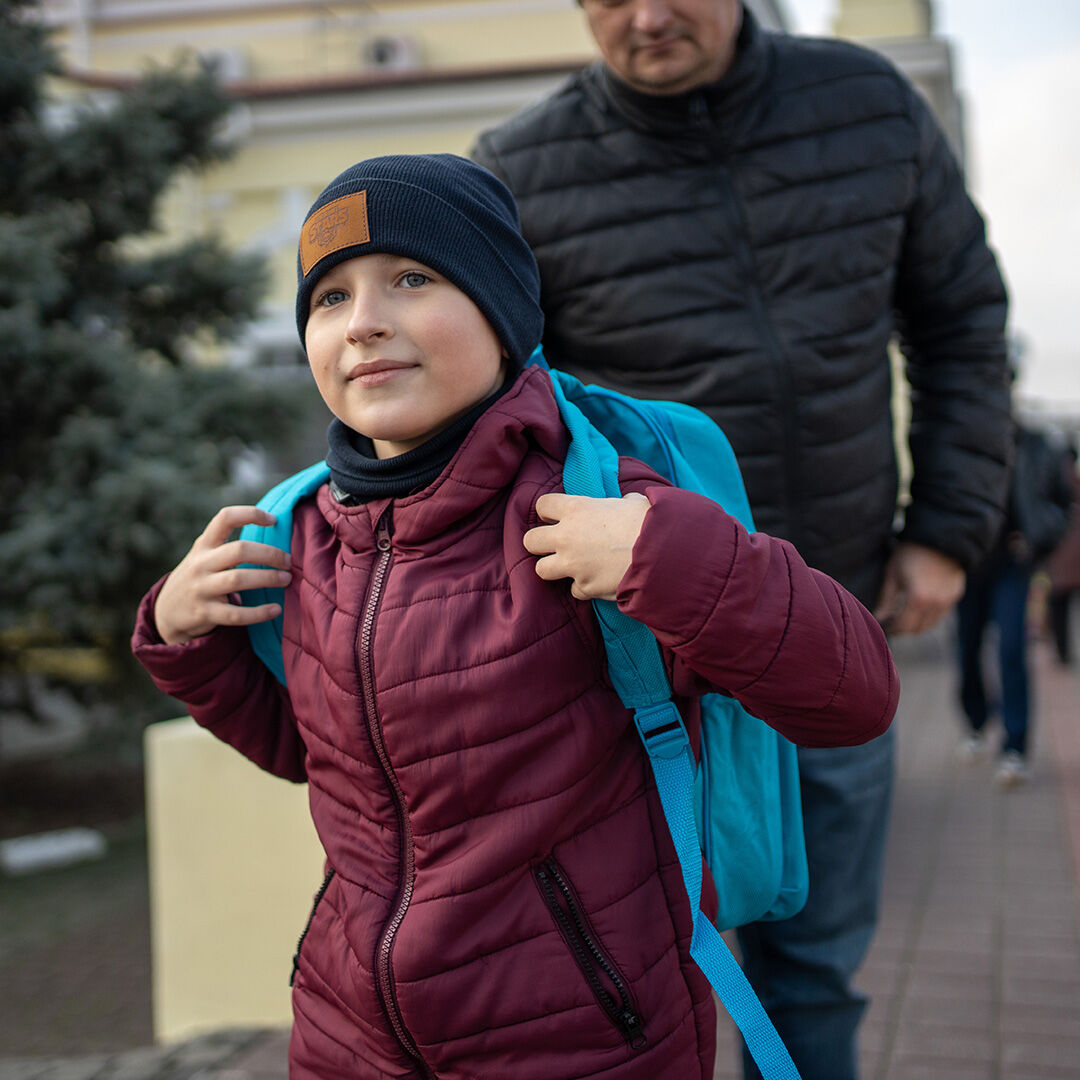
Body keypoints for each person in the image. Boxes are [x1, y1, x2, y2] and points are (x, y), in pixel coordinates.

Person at [132, 154, 898, 1080]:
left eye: (411, 279)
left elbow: (854, 695)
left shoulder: (595, 506)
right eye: (329, 298)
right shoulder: (309, 534)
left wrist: (672, 558)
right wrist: (184, 642)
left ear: (503, 314)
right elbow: (320, 759)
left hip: (582, 1040)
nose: (365, 321)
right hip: (349, 1039)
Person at [471, 2, 1011, 1077]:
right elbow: (496, 415)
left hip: (833, 621)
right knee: (640, 977)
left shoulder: (869, 105)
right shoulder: (519, 170)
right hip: (637, 668)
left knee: (812, 974)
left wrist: (948, 532)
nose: (649, 14)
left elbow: (961, 324)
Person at [956, 424, 1072, 785]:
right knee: (966, 651)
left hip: (1012, 565)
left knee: (1011, 650)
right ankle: (977, 723)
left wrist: (1038, 539)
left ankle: (1015, 747)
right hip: (968, 564)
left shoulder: (1033, 443)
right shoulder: (961, 438)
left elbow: (1061, 502)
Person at [1045, 442, 1080, 664]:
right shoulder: (1068, 481)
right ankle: (1063, 652)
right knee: (1060, 606)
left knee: (1060, 607)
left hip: (1061, 557)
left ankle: (1063, 652)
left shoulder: (1053, 478)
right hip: (1065, 557)